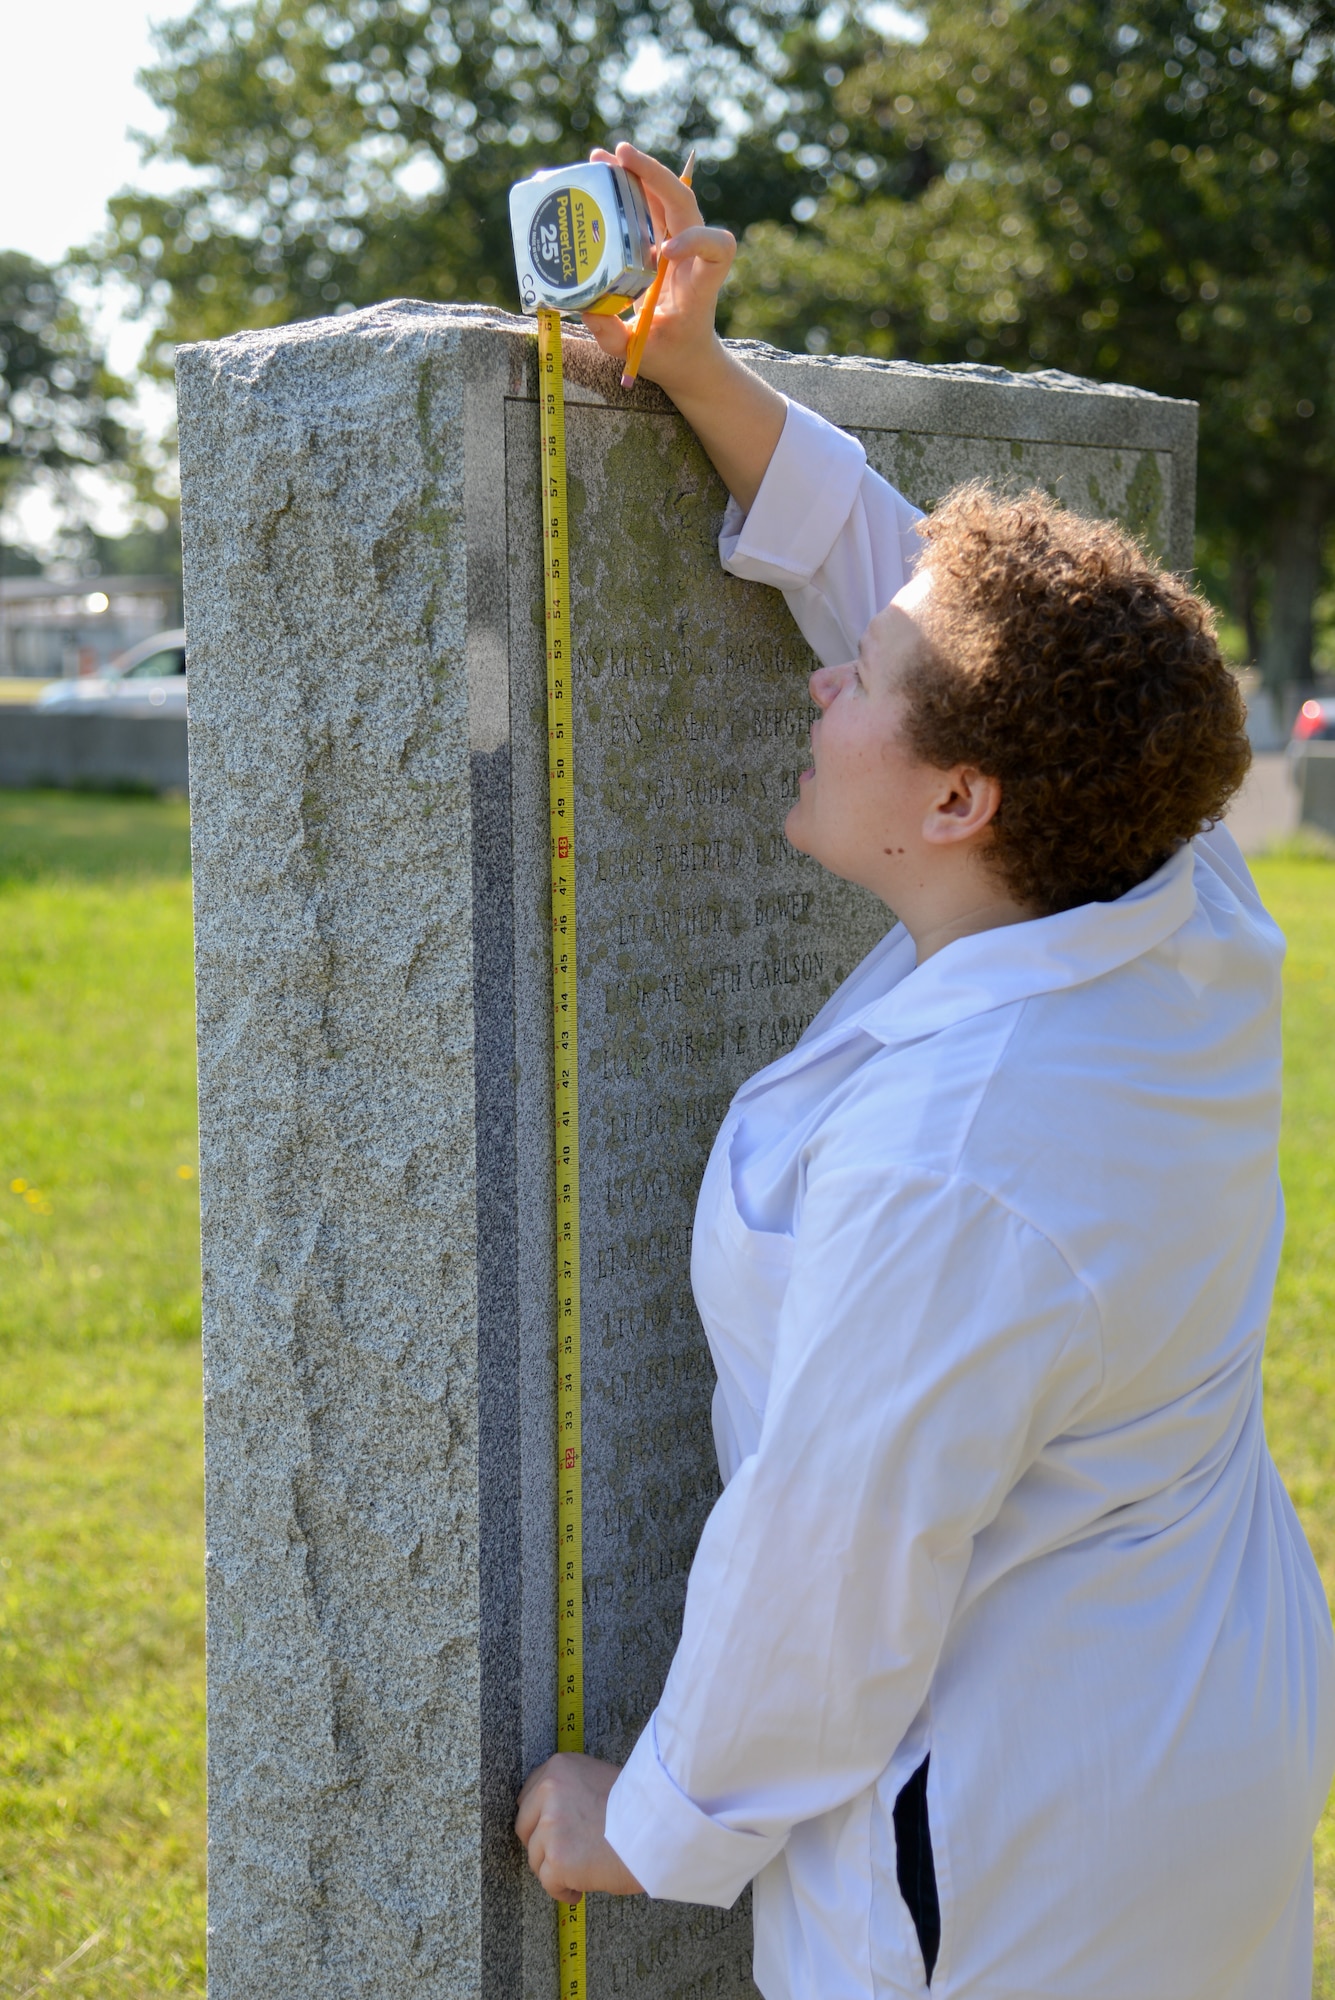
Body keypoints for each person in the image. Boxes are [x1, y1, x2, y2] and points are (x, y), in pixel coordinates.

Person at [515, 144, 1335, 1998]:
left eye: (861, 684)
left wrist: (644, 1821)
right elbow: (915, 591)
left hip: (1017, 1842)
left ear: (962, 800)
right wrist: (697, 365)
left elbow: (837, 1552)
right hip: (1196, 1725)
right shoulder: (1170, 881)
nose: (822, 686)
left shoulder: (964, 1159)